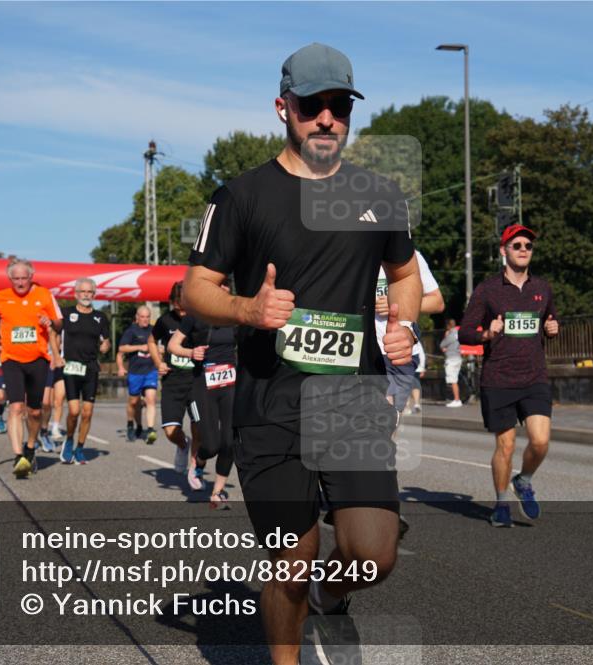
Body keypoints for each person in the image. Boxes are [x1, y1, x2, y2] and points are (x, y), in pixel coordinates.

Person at [183, 42, 421, 664]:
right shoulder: (241, 196)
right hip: (270, 401)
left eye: (337, 105)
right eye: (310, 105)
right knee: (290, 557)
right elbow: (195, 288)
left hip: (354, 401)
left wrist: (405, 324)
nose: (325, 118)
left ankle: (329, 594)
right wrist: (247, 310)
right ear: (282, 107)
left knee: (375, 554)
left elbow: (403, 274)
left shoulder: (379, 195)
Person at [459, 224, 560, 527]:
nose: (523, 250)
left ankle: (524, 480)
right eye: (517, 245)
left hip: (534, 377)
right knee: (506, 446)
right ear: (504, 251)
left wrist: (553, 330)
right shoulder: (487, 290)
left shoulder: (542, 288)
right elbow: (466, 331)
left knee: (541, 441)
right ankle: (501, 504)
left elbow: (551, 321)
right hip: (499, 378)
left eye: (528, 245)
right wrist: (487, 333)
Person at [0, 258, 63, 478]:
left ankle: (31, 447)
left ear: (31, 276)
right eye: (15, 278)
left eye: (24, 278)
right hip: (11, 359)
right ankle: (19, 457)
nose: (20, 282)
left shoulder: (44, 295)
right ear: (9, 278)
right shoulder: (0, 296)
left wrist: (50, 322)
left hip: (38, 359)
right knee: (16, 408)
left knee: (34, 411)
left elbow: (60, 323)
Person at [168, 280, 236, 505]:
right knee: (211, 444)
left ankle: (217, 492)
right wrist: (190, 352)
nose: (223, 290)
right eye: (219, 286)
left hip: (230, 384)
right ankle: (197, 462)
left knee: (229, 442)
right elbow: (172, 345)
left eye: (227, 287)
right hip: (203, 384)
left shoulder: (236, 316)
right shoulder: (194, 317)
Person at [374, 250, 443, 415]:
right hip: (371, 350)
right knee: (381, 411)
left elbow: (437, 302)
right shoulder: (357, 252)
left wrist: (398, 302)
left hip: (402, 350)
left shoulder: (410, 256)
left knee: (394, 417)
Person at [57, 278, 111, 465]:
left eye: (90, 292)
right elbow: (54, 334)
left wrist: (105, 345)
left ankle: (80, 448)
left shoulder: (100, 317)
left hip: (90, 367)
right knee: (74, 410)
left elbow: (106, 340)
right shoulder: (66, 313)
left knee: (87, 412)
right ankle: (69, 439)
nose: (86, 295)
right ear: (76, 294)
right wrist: (57, 355)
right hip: (71, 366)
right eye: (83, 292)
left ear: (94, 295)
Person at [148, 282, 194, 474]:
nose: (181, 310)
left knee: (199, 426)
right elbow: (151, 341)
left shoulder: (200, 319)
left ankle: (195, 468)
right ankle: (183, 445)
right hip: (172, 381)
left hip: (196, 379)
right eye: (177, 305)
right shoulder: (165, 320)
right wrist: (159, 363)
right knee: (170, 431)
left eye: (184, 305)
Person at [118, 306, 159, 443]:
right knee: (134, 402)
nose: (145, 319)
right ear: (137, 317)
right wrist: (139, 347)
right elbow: (122, 348)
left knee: (151, 399)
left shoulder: (154, 330)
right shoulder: (131, 331)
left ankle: (151, 429)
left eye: (147, 316)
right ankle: (132, 425)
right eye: (142, 317)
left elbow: (160, 346)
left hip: (150, 370)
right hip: (135, 372)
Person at [440, 318, 463, 407]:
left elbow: (442, 344)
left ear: (448, 326)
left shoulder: (451, 334)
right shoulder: (458, 333)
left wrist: (446, 336)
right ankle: (456, 399)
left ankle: (457, 400)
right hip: (458, 357)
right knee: (455, 380)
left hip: (451, 359)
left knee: (452, 380)